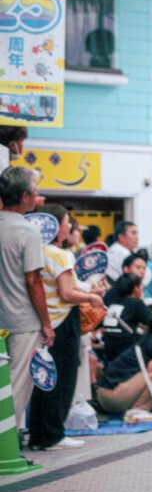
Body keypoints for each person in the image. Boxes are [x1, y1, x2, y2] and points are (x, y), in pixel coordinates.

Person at [28, 204, 105, 451]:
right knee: (62, 379)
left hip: (43, 321)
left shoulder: (36, 251)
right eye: (67, 221)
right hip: (63, 321)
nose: (70, 226)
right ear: (56, 224)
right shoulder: (60, 255)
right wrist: (91, 298)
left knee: (43, 380)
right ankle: (54, 435)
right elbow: (66, 291)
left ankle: (39, 434)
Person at [0, 166, 52, 436]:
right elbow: (33, 281)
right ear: (23, 196)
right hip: (22, 320)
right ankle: (6, 449)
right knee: (16, 385)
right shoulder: (28, 231)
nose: (37, 196)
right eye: (34, 192)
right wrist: (46, 323)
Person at [95, 312, 152, 414]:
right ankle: (139, 410)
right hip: (112, 397)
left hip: (106, 396)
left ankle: (143, 407)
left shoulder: (147, 341)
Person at [100, 273, 152, 364]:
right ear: (136, 288)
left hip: (109, 352)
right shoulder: (136, 303)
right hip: (127, 353)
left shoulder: (112, 303)